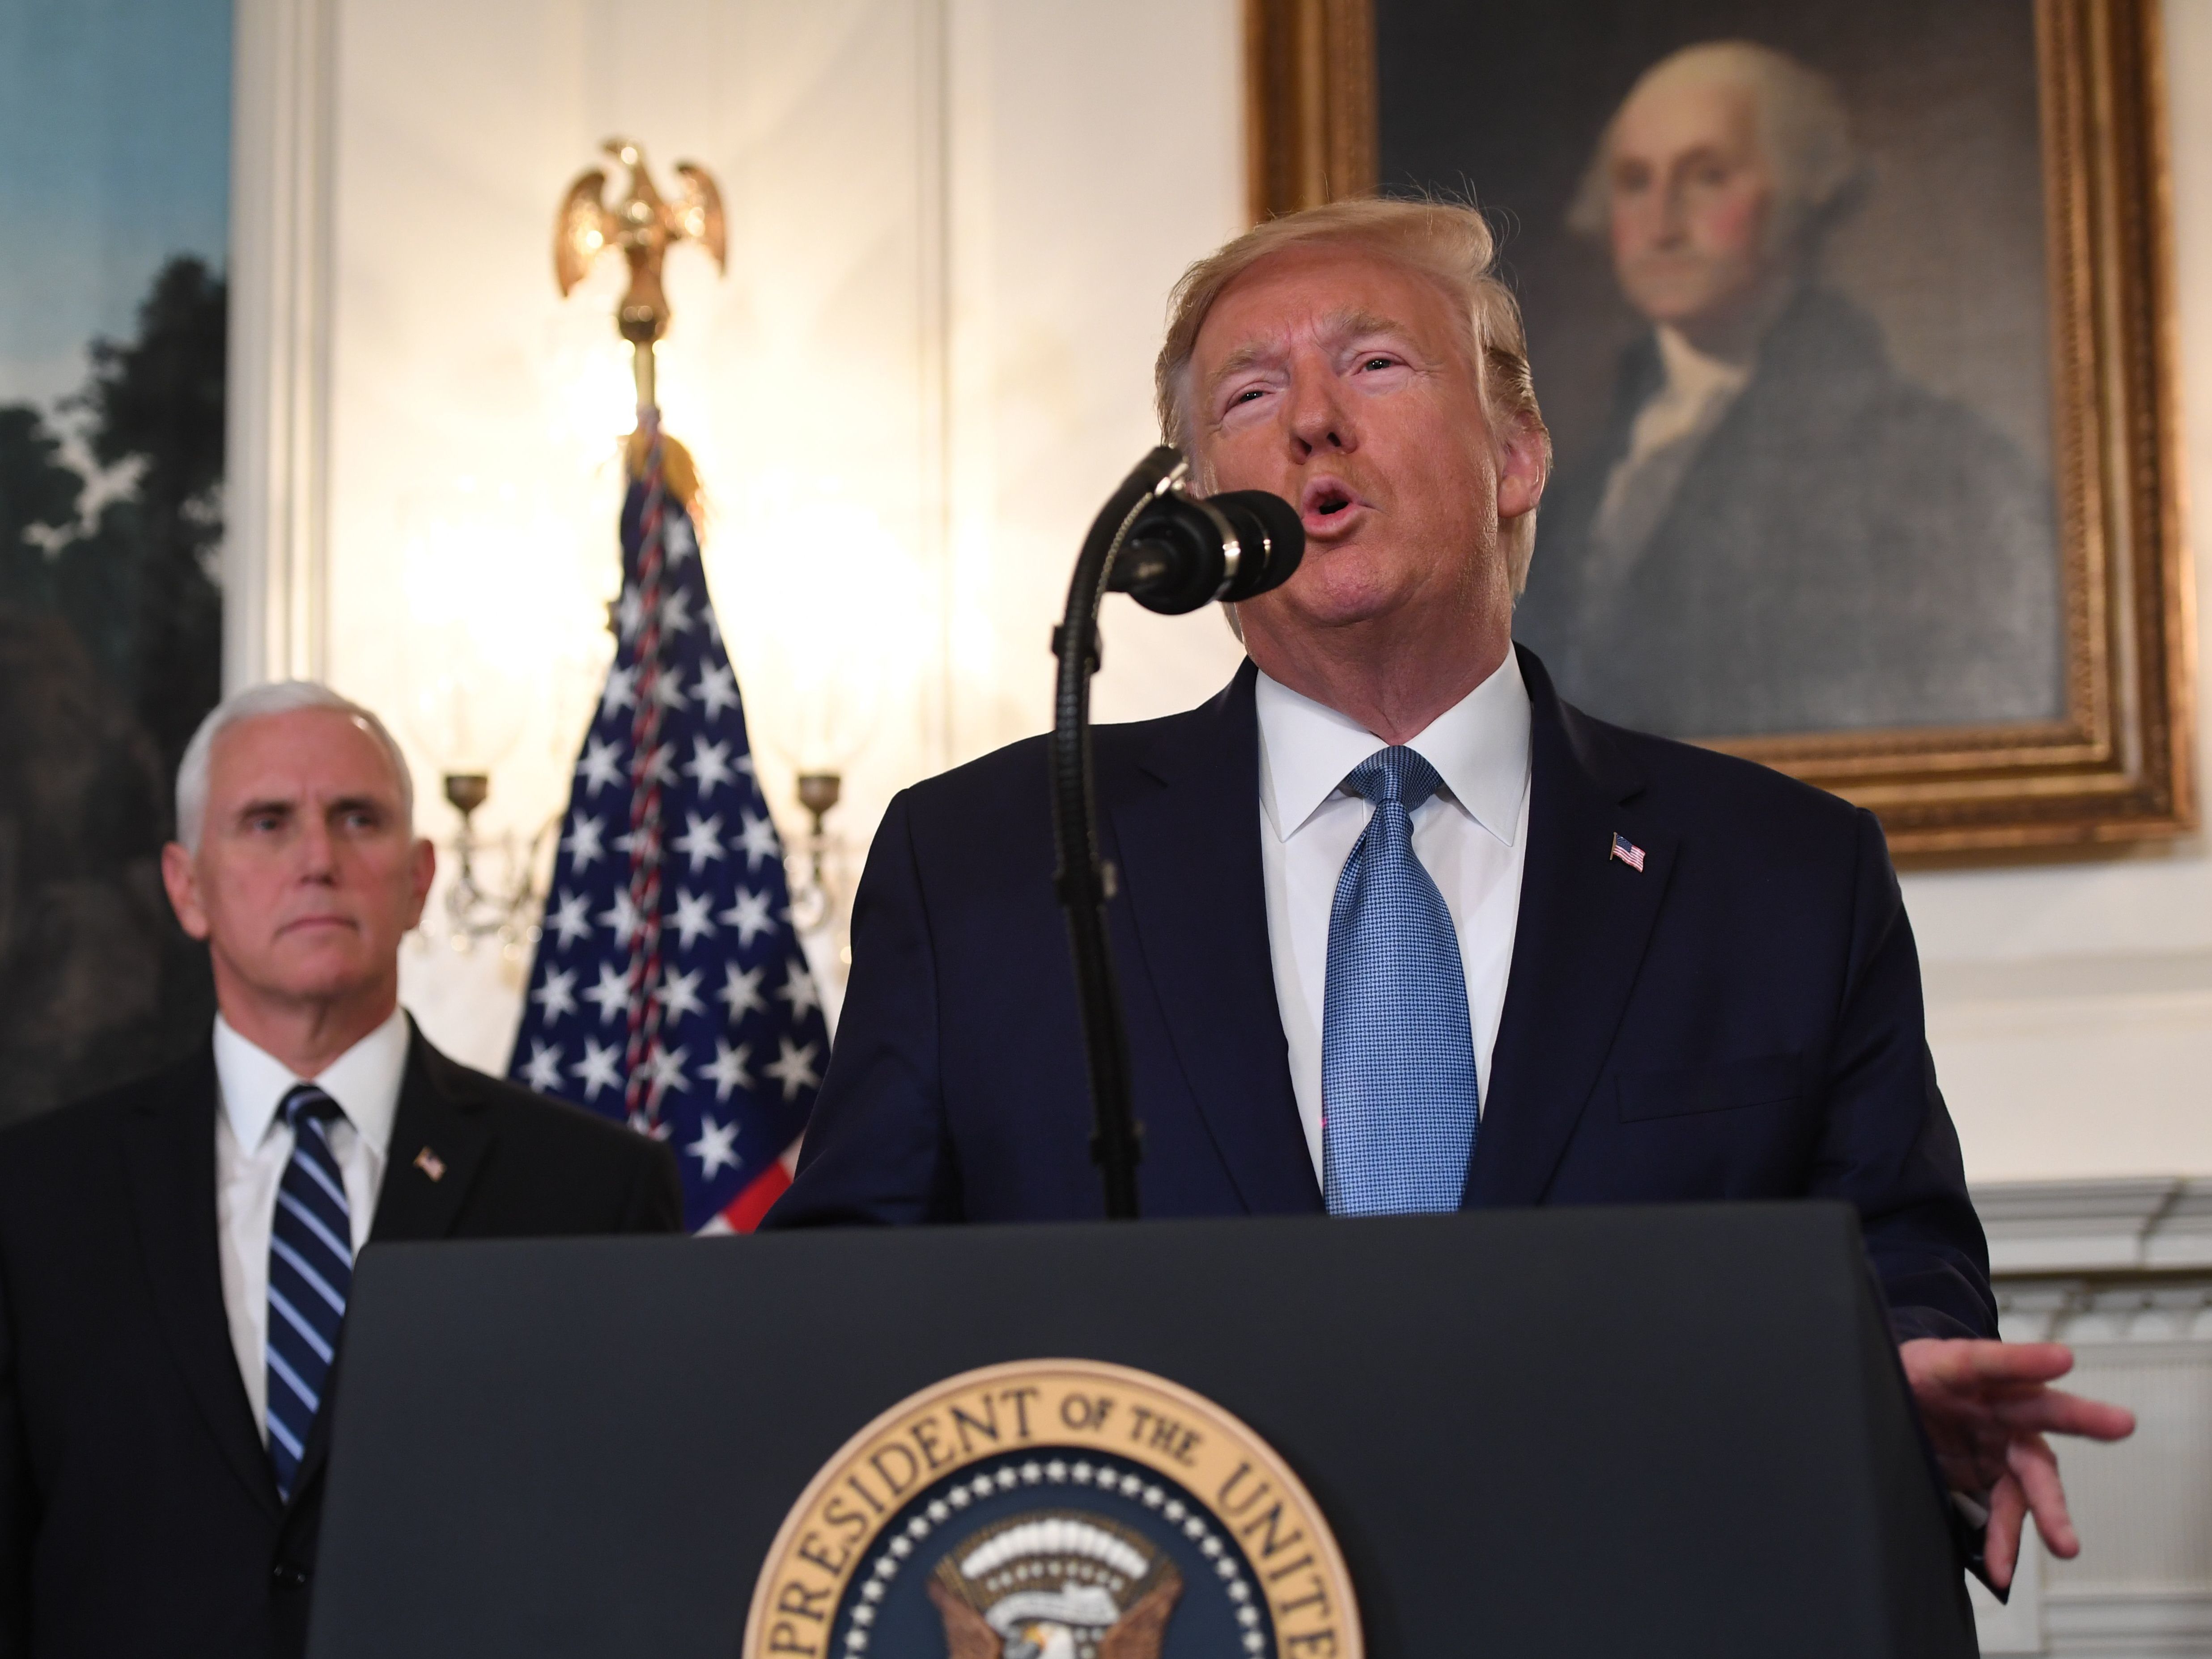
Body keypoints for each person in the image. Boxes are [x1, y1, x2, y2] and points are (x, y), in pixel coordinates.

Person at [767, 197, 2131, 1590]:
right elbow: (838, 1317)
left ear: (1519, 454)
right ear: (1200, 508)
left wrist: (1906, 1377)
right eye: (1250, 392)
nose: (1309, 421)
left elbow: (1897, 1254)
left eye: (1372, 365)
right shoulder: (987, 860)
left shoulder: (1780, 872)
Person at [0, 681, 682, 1658]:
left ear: (417, 878)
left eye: (356, 819)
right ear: (186, 887)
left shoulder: (592, 1189)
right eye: (267, 823)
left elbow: (635, 1558)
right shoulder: (34, 1200)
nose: (317, 859)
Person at [1513, 40, 2062, 738]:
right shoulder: (1575, 461)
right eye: (1633, 180)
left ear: (1804, 193)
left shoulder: (1938, 461)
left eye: (1707, 176)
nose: (1661, 222)